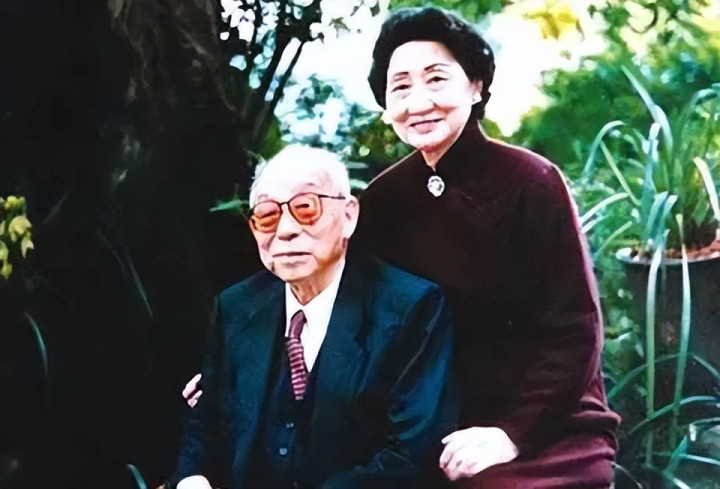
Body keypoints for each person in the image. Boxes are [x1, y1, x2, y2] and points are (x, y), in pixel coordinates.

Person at [353, 6, 621, 488]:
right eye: (400, 87)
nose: (418, 102)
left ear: (475, 86)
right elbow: (355, 316)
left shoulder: (532, 180)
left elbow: (576, 327)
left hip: (546, 421)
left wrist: (512, 434)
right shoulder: (382, 199)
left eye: (436, 79)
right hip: (432, 421)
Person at [167, 144, 456, 489]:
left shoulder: (411, 307)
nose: (285, 230)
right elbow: (206, 424)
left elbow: (411, 455)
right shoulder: (237, 307)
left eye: (306, 208)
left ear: (348, 216)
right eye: (267, 214)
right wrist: (192, 478)